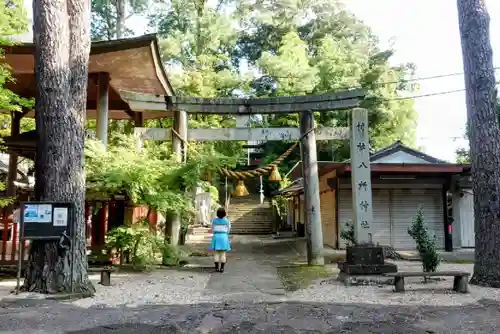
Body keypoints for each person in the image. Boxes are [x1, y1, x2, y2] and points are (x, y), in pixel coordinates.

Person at [209, 207, 231, 273]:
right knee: (223, 253)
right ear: (224, 213)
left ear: (217, 213)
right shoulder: (227, 221)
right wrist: (225, 233)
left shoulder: (214, 220)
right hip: (224, 236)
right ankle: (222, 268)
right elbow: (228, 229)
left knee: (216, 253)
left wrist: (215, 232)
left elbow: (212, 228)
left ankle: (216, 268)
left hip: (216, 236)